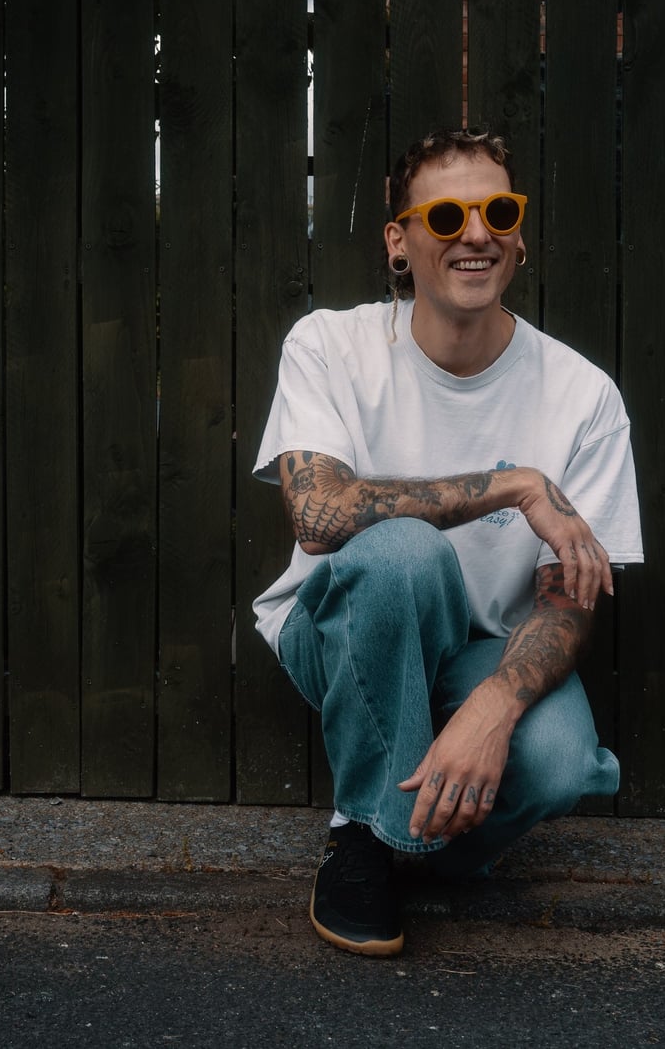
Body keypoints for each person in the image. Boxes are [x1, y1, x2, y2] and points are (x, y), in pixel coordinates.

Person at [252, 127, 643, 957]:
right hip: (337, 627)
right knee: (404, 553)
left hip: (481, 647)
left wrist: (494, 710)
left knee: (563, 759)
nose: (477, 233)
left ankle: (402, 849)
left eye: (498, 210)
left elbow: (570, 593)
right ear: (399, 239)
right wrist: (512, 483)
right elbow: (318, 516)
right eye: (447, 215)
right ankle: (366, 836)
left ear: (520, 234)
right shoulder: (329, 344)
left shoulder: (584, 395)